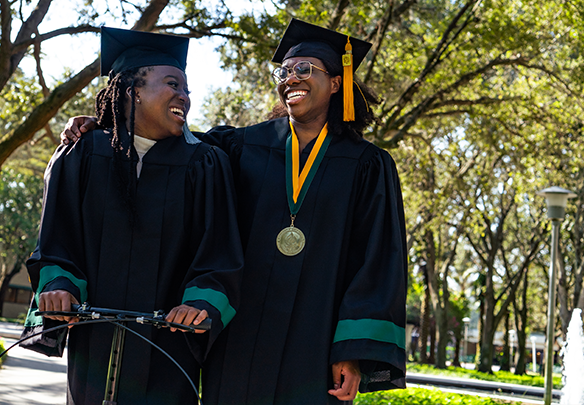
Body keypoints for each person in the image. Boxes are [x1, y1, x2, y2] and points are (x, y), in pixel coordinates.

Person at [62, 18, 407, 405]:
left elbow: (378, 261)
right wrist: (107, 124)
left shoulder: (368, 165)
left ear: (337, 82)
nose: (291, 78)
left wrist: (352, 352)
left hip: (316, 340)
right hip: (237, 341)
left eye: (304, 69)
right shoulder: (239, 146)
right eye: (285, 71)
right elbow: (162, 139)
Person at [21, 26, 243, 405]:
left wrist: (201, 304)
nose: (184, 96)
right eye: (173, 83)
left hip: (169, 348)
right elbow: (58, 240)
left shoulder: (204, 164)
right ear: (133, 90)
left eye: (187, 89)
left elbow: (219, 254)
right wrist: (59, 288)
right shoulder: (82, 155)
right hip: (94, 340)